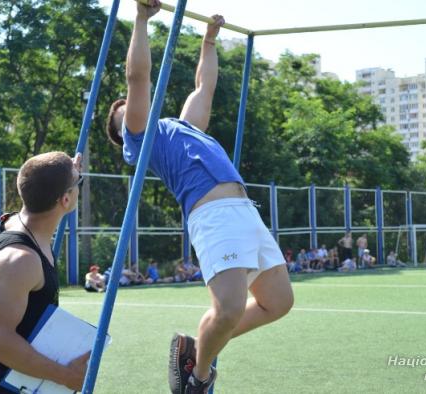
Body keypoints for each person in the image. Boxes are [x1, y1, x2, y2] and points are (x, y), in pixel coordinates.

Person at [104, 2, 293, 393]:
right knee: (228, 308)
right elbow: (138, 79)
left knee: (279, 301)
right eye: (124, 110)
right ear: (123, 131)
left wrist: (208, 41)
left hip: (243, 210)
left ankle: (195, 347)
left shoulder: (183, 128)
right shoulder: (140, 138)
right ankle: (199, 376)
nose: (132, 107)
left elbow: (203, 86)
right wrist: (141, 19)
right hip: (213, 214)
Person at [0, 152, 90, 393]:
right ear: (66, 200)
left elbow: (43, 181)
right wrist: (66, 376)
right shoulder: (19, 261)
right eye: (78, 182)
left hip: (19, 383)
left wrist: (67, 173)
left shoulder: (20, 221)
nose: (80, 183)